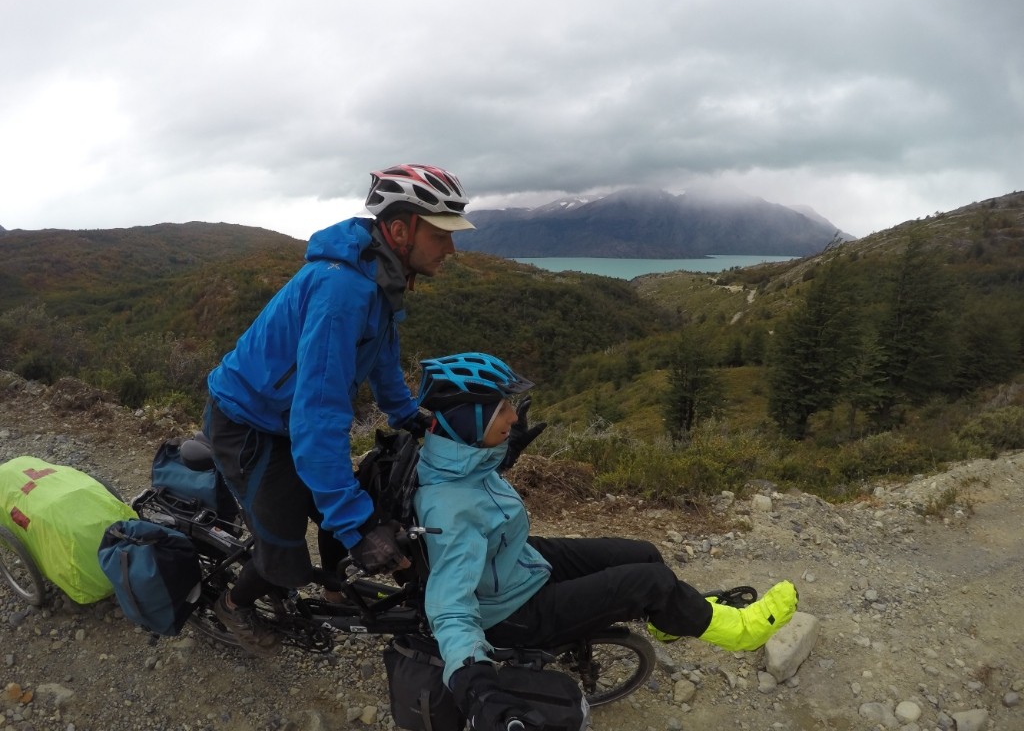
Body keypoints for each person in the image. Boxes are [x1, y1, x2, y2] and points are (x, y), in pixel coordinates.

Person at [411, 352, 799, 731]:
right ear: (470, 421)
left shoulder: (456, 455)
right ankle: (741, 632)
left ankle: (668, 623)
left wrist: (505, 453)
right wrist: (476, 688)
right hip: (513, 611)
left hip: (512, 562)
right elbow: (450, 609)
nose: (513, 416)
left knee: (644, 553)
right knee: (653, 582)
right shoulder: (450, 513)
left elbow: (471, 481)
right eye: (500, 409)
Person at [203, 164, 475, 656]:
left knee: (344, 503)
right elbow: (318, 418)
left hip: (287, 417)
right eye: (440, 235)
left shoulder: (377, 273)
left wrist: (406, 414)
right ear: (400, 230)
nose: (451, 249)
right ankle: (232, 605)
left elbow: (381, 352)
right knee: (283, 545)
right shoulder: (342, 292)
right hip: (248, 423)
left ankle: (333, 593)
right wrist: (358, 528)